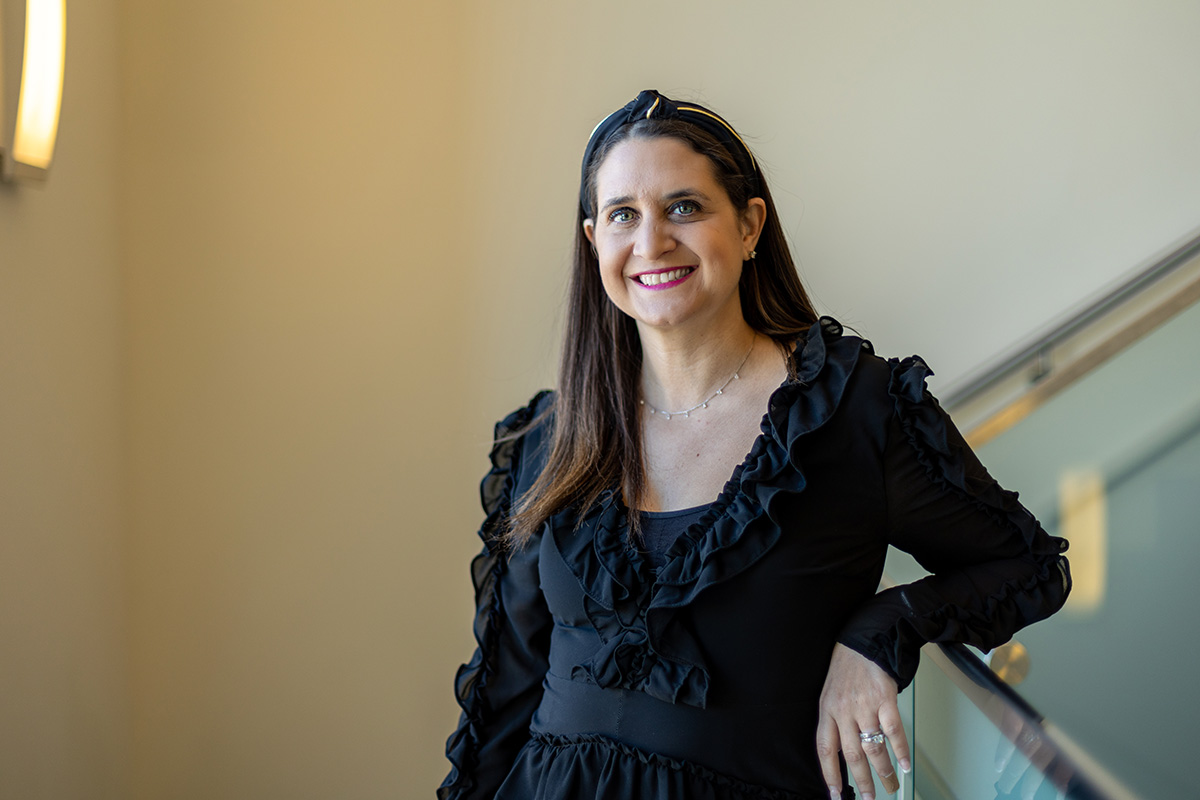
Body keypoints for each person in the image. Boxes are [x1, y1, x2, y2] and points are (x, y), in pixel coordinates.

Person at [438, 89, 1071, 800]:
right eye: (623, 215)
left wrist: (882, 632)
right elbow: (504, 698)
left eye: (685, 207)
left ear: (749, 225)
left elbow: (1027, 566)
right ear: (594, 244)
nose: (651, 243)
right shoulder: (550, 438)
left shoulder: (853, 411)